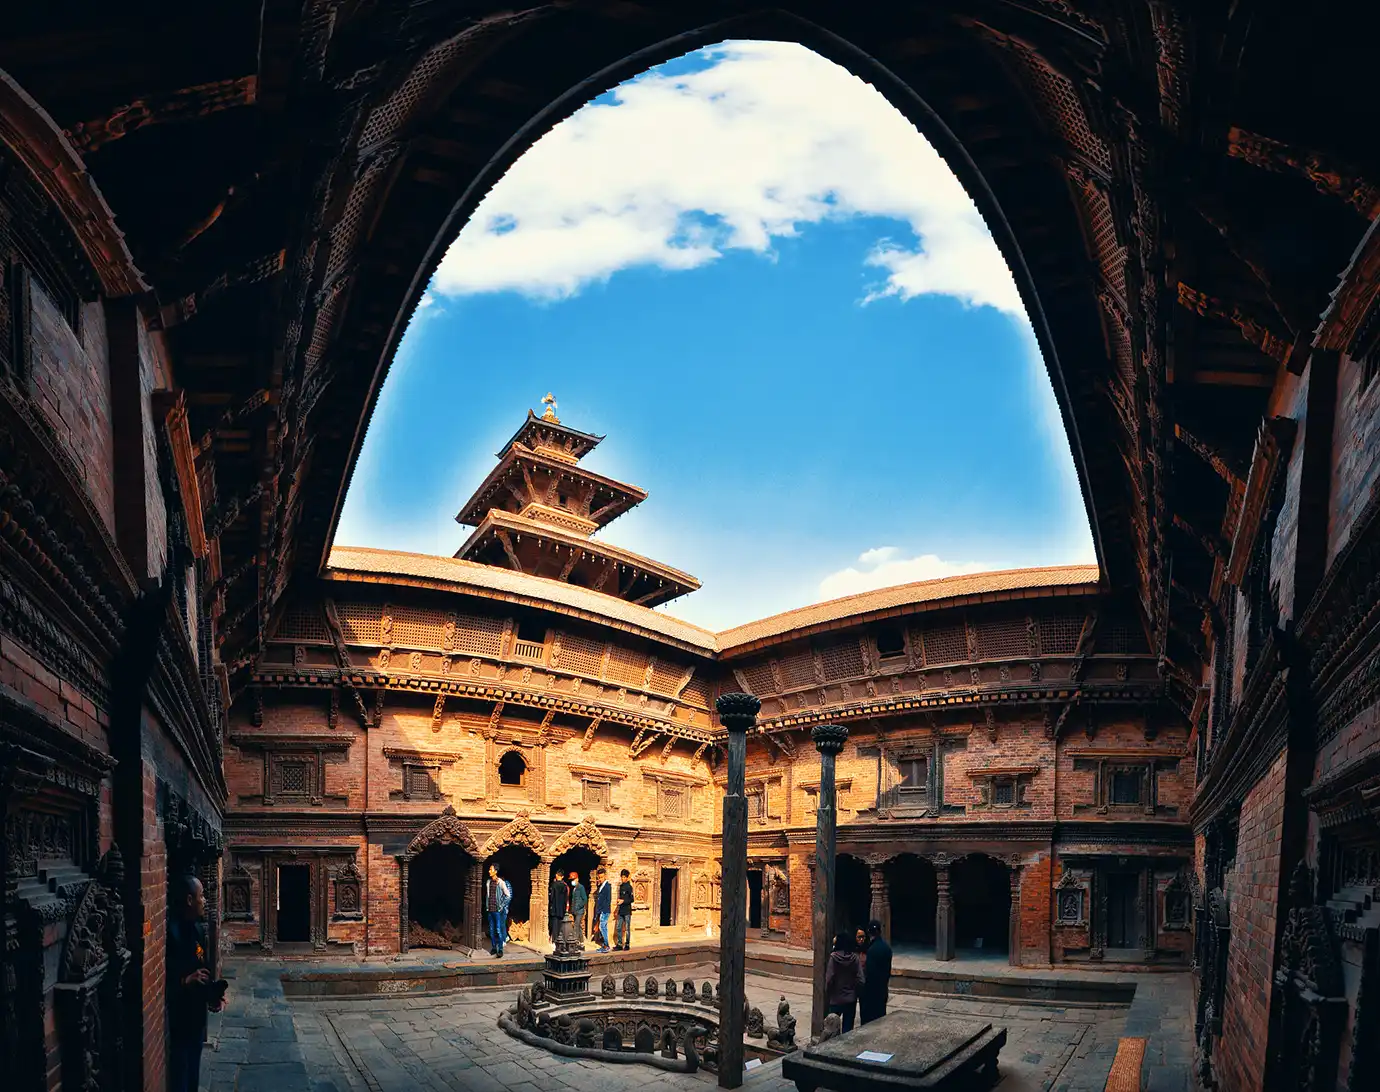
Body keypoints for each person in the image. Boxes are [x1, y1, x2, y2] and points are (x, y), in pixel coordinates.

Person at [167, 874, 227, 1092]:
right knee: (181, 1075)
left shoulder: (198, 929)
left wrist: (213, 995)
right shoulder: (171, 932)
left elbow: (204, 969)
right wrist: (184, 980)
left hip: (196, 1017)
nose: (205, 901)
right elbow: (166, 977)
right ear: (190, 900)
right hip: (179, 1018)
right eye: (201, 896)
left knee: (193, 1074)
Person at [824, 929, 863, 1033]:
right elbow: (861, 979)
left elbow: (829, 979)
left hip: (836, 998)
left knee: (832, 1028)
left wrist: (828, 992)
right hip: (850, 998)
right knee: (848, 1029)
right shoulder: (855, 958)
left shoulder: (834, 958)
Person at [859, 920, 893, 1024]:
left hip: (871, 992)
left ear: (869, 933)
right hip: (882, 988)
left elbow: (869, 973)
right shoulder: (887, 948)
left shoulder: (871, 950)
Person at [486, 863, 512, 957]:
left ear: (495, 871)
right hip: (490, 909)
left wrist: (501, 905)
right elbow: (488, 895)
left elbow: (508, 895)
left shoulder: (500, 882)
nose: (489, 871)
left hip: (497, 910)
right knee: (492, 930)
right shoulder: (488, 882)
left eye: (491, 869)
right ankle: (493, 947)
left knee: (498, 930)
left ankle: (500, 949)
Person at [593, 867, 613, 952]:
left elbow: (608, 900)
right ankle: (604, 945)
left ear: (605, 876)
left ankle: (607, 945)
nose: (600, 879)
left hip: (605, 910)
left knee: (602, 927)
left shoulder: (607, 886)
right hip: (601, 910)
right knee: (602, 927)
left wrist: (602, 910)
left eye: (601, 877)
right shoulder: (601, 886)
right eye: (599, 877)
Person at [548, 870, 569, 948]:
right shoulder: (564, 886)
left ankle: (554, 940)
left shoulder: (554, 885)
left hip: (554, 908)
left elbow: (552, 897)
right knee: (560, 924)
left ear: (557, 876)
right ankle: (560, 940)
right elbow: (566, 898)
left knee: (554, 924)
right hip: (561, 909)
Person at [614, 868, 634, 951]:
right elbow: (620, 897)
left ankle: (627, 944)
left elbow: (632, 899)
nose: (623, 879)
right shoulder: (621, 886)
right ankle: (619, 944)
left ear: (627, 877)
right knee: (618, 927)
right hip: (621, 910)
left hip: (627, 911)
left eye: (624, 877)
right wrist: (618, 901)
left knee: (627, 928)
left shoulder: (629, 887)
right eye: (622, 877)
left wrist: (623, 901)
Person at [568, 870, 588, 943]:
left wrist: (578, 906)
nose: (572, 881)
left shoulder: (581, 887)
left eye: (573, 879)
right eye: (572, 880)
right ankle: (581, 941)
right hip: (575, 910)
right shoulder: (574, 888)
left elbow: (585, 899)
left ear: (577, 879)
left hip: (579, 911)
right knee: (578, 925)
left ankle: (575, 941)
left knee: (576, 925)